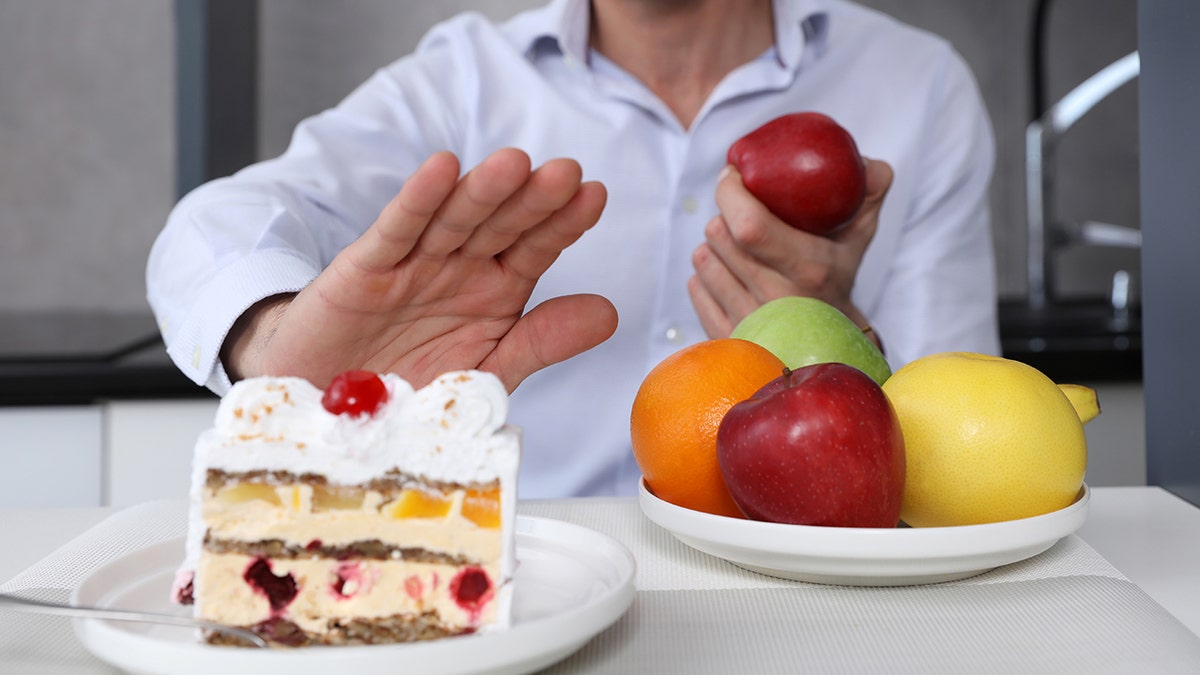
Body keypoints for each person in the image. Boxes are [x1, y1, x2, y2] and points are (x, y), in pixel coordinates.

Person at [147, 0, 1000, 498]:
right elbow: (222, 220)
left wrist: (843, 338)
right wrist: (269, 336)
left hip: (799, 607)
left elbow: (968, 454)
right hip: (512, 594)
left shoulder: (919, 87)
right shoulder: (467, 79)